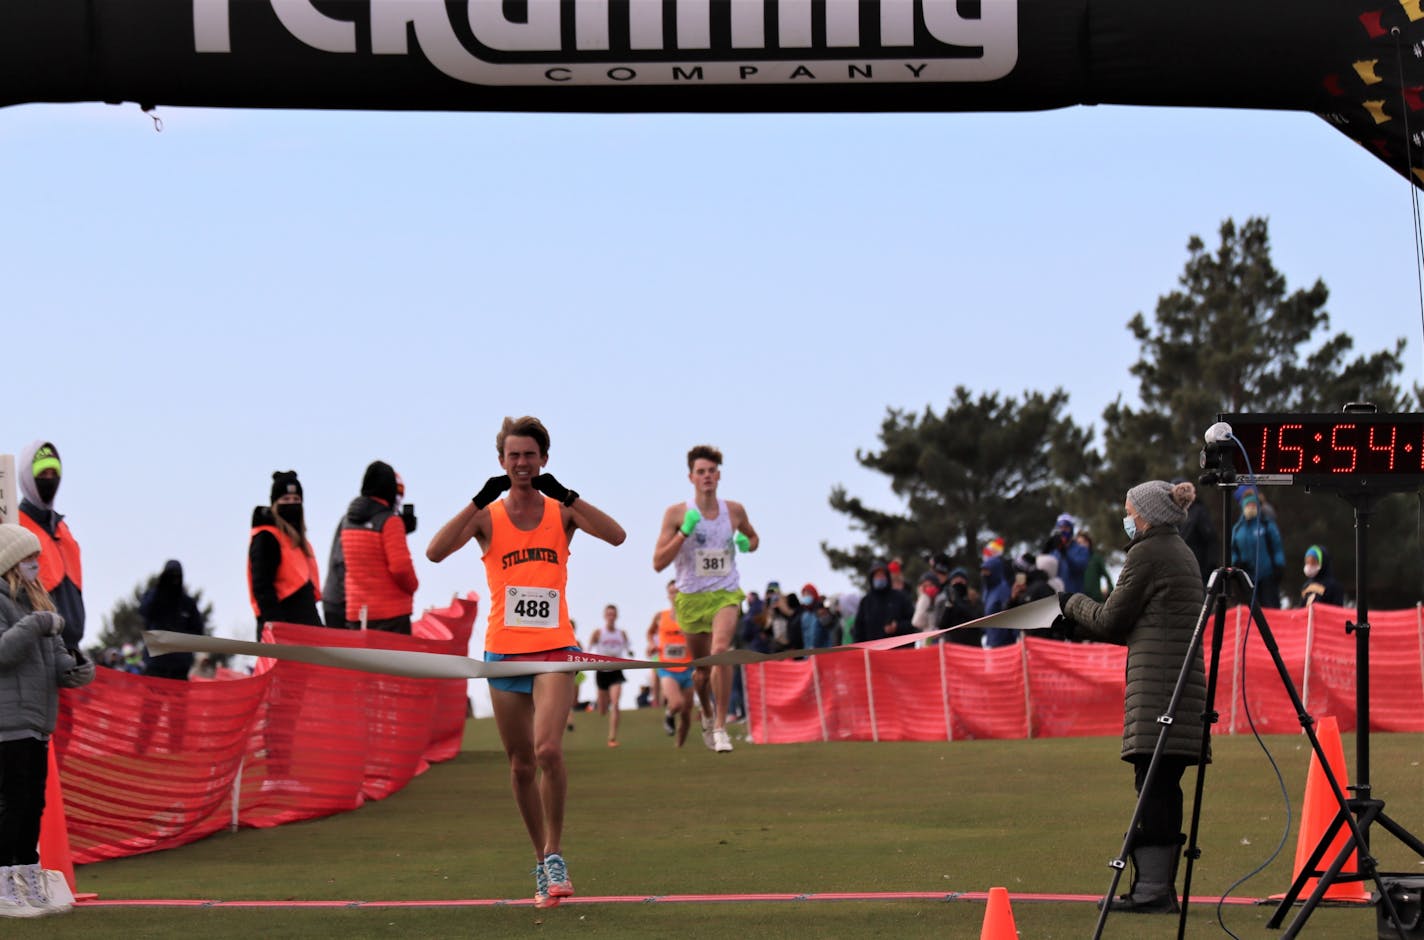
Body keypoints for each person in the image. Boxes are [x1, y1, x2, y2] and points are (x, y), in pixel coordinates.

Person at [426, 415, 625, 909]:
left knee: (549, 751)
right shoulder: (486, 516)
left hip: (556, 650)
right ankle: (540, 862)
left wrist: (571, 496)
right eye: (513, 456)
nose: (522, 463)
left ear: (544, 460)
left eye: (530, 455)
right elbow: (433, 552)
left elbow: (617, 536)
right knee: (519, 766)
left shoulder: (562, 511)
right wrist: (476, 500)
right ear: (501, 462)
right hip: (502, 654)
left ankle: (556, 854)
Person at [1054, 481, 1206, 915]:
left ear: (1146, 514)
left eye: (1129, 510)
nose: (1126, 517)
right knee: (1162, 786)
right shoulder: (1179, 552)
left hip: (1160, 693)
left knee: (1153, 788)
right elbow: (1139, 626)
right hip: (1178, 688)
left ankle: (1152, 891)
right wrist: (1078, 627)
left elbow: (1113, 616)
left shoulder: (1148, 552)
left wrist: (1070, 604)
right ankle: (1155, 887)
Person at [0, 523, 94, 917]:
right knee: (11, 803)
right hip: (8, 722)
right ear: (11, 562)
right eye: (29, 558)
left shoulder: (41, 603)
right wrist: (35, 625)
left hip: (39, 723)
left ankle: (27, 872)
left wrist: (77, 667)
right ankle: (4, 880)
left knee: (31, 805)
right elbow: (3, 653)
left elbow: (57, 660)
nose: (36, 565)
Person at [653, 445, 759, 754]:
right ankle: (708, 713)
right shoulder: (676, 513)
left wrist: (746, 541)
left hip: (726, 592)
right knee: (701, 672)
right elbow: (658, 562)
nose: (707, 476)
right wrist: (683, 534)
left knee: (721, 651)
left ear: (719, 475)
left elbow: (753, 538)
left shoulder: (734, 511)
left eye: (712, 471)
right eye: (701, 472)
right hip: (690, 598)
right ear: (691, 477)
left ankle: (721, 726)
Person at [334, 461, 420, 633]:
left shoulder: (347, 521)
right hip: (391, 616)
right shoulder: (390, 521)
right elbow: (401, 568)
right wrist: (413, 586)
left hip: (357, 613)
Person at [16, 441, 84, 649]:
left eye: (53, 472)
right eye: (42, 473)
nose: (49, 479)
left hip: (70, 647)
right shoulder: (15, 526)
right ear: (28, 476)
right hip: (38, 645)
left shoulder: (63, 529)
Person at [248, 471, 323, 637]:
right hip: (283, 627)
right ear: (275, 503)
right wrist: (277, 627)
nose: (292, 504)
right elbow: (262, 587)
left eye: (296, 499)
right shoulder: (267, 537)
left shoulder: (299, 543)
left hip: (306, 627)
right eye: (286, 500)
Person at [138, 560, 205, 680]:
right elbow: (144, 611)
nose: (173, 579)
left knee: (179, 699)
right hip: (155, 664)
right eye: (170, 575)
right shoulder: (154, 596)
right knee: (151, 698)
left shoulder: (187, 603)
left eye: (177, 576)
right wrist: (159, 587)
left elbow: (198, 632)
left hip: (180, 667)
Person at [650, 581, 695, 747]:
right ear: (668, 595)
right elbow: (650, 632)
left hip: (688, 667)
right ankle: (669, 714)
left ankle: (679, 745)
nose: (675, 595)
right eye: (672, 592)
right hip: (667, 667)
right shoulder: (660, 616)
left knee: (686, 712)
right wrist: (651, 645)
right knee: (677, 703)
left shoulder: (691, 615)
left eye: (678, 592)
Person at [1230, 486, 1285, 609]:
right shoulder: (1238, 529)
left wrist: (1279, 566)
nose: (1251, 507)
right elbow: (1234, 550)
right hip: (1248, 579)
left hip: (1267, 576)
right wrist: (1236, 564)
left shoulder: (1266, 525)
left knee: (1269, 608)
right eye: (1248, 504)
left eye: (1253, 504)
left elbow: (1277, 547)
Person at [587, 604, 633, 747]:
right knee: (602, 709)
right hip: (601, 670)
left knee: (615, 703)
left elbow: (628, 647)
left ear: (616, 616)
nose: (611, 617)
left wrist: (631, 653)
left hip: (616, 670)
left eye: (613, 614)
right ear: (605, 616)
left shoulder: (622, 633)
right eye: (609, 614)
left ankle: (612, 738)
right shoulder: (598, 633)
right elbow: (588, 648)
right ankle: (596, 704)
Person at [851, 561, 914, 642]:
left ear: (887, 577)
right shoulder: (866, 601)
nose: (880, 578)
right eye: (877, 576)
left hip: (898, 649)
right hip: (872, 651)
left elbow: (912, 622)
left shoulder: (900, 597)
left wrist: (898, 627)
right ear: (872, 578)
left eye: (882, 575)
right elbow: (859, 629)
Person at [1173, 480, 1219, 584]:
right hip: (1180, 568)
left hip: (1198, 567)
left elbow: (1211, 538)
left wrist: (1210, 565)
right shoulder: (1173, 514)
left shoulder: (1198, 512)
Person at [1078, 533, 1114, 603]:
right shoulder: (1073, 560)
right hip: (1079, 600)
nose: (1081, 545)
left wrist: (1110, 593)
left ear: (1089, 543)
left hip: (1095, 600)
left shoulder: (1096, 558)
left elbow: (1107, 577)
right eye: (1079, 543)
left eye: (1084, 542)